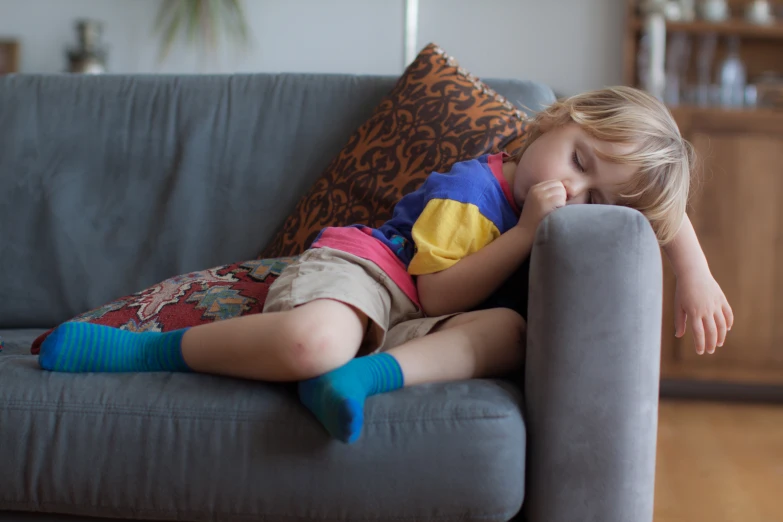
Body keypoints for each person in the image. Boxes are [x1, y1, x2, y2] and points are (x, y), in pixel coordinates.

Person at [38, 86, 733, 444]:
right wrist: (524, 235)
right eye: (578, 162)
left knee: (507, 335)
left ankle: (360, 381)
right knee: (311, 343)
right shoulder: (475, 191)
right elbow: (433, 293)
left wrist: (693, 269)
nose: (575, 192)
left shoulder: (559, 201)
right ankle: (146, 352)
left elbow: (655, 207)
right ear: (555, 122)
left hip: (412, 317)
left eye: (599, 199)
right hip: (370, 273)